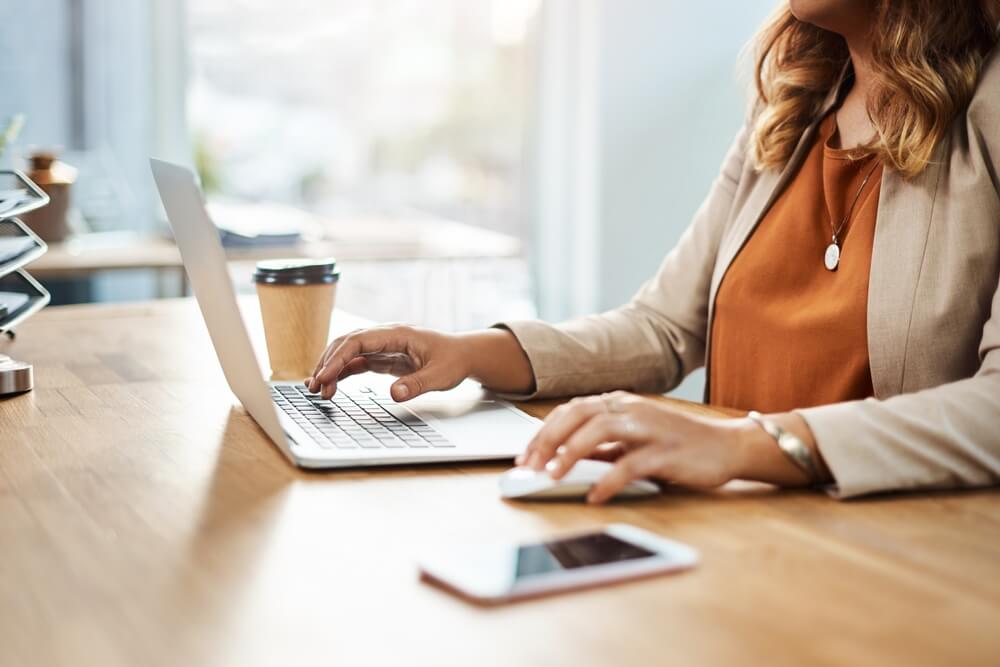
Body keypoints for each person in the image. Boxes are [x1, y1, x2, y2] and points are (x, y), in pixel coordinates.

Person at [307, 0, 1000, 503]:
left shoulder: (988, 109)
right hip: (737, 532)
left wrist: (750, 446)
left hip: (889, 559)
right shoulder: (791, 109)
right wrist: (468, 352)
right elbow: (665, 328)